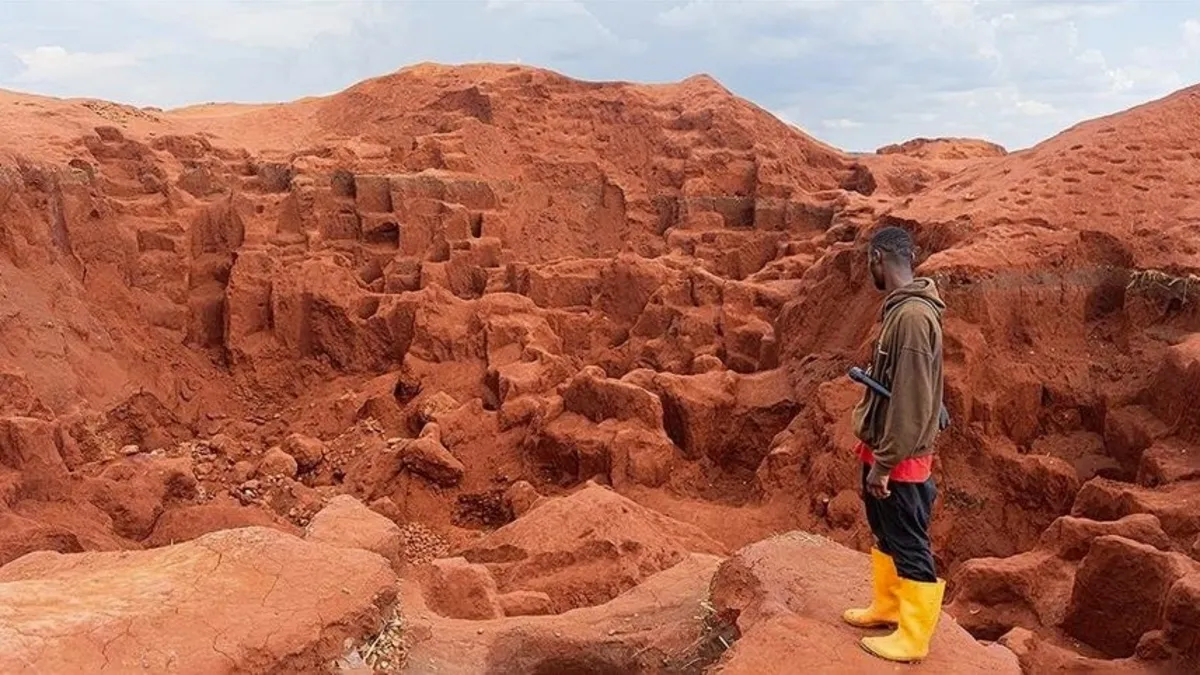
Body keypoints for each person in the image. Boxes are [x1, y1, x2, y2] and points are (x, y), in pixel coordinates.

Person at [841, 225, 947, 663]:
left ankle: (914, 638)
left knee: (908, 540)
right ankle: (887, 607)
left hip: (900, 457)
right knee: (885, 530)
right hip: (886, 447)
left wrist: (884, 464)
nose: (870, 270)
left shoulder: (914, 317)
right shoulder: (903, 311)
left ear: (878, 258)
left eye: (870, 262)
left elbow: (912, 398)